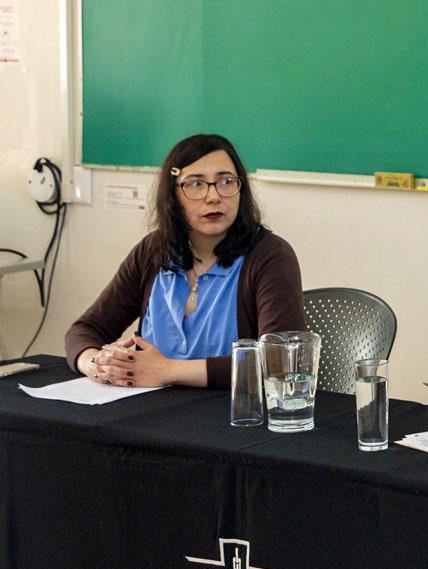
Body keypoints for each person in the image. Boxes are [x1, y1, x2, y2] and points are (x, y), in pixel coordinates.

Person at [65, 134, 304, 389]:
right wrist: (97, 364)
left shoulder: (270, 256)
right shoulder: (152, 251)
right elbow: (85, 330)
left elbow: (281, 361)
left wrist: (167, 370)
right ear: (173, 196)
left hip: (234, 414)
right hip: (148, 411)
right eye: (196, 184)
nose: (214, 197)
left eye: (226, 181)